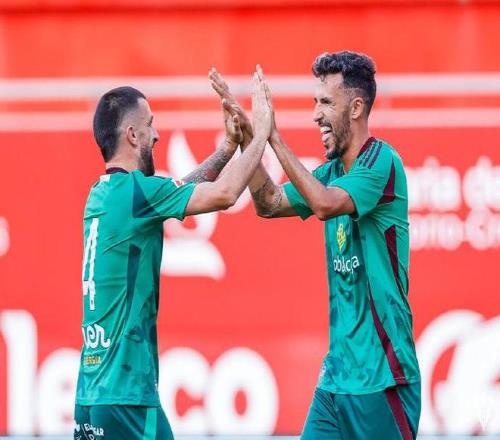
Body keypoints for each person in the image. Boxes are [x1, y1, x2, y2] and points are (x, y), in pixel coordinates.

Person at [210, 53, 421, 439]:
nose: (315, 115)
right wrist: (249, 139)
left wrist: (273, 136)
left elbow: (324, 204)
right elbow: (268, 203)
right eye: (314, 102)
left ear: (356, 108)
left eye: (325, 103)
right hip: (336, 380)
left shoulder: (382, 162)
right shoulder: (331, 172)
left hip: (384, 379)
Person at [74, 67, 272, 439]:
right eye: (150, 124)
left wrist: (227, 149)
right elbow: (225, 194)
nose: (157, 134)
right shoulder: (136, 193)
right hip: (127, 396)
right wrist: (260, 133)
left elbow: (180, 187)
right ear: (132, 135)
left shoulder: (104, 194)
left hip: (90, 394)